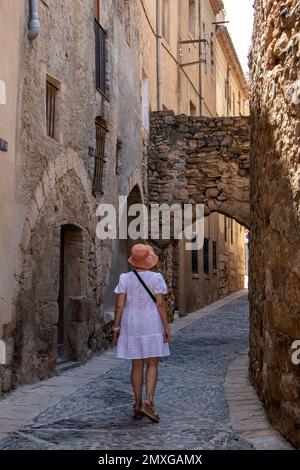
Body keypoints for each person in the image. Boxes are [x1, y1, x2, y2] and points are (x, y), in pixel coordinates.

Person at [113, 243, 170, 422]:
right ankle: (149, 401)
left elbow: (120, 304)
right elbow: (160, 304)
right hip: (151, 323)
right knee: (152, 363)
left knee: (136, 364)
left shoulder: (125, 278)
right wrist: (166, 326)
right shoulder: (156, 278)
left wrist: (116, 326)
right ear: (149, 260)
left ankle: (137, 404)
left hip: (131, 324)